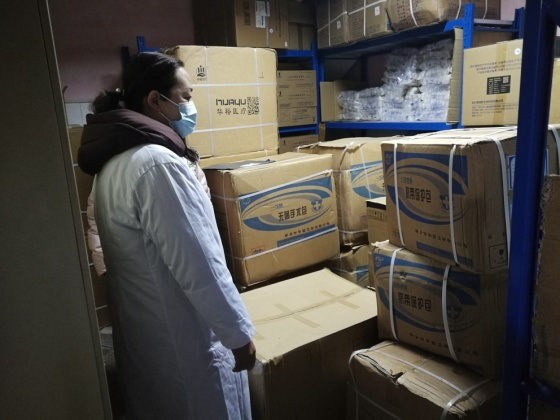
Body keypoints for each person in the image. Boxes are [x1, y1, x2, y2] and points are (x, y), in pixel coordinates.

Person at [78, 52, 256, 420]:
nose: (191, 105)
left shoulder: (114, 165)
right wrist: (238, 336)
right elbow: (199, 264)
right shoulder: (157, 164)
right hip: (184, 340)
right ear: (155, 101)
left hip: (150, 337)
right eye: (185, 96)